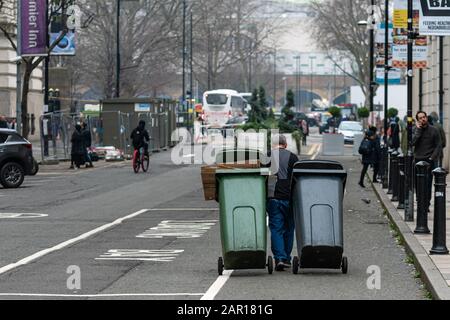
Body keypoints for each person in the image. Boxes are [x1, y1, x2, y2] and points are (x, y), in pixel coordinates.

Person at [267, 134, 299, 271]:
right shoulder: (293, 157)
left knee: (276, 228)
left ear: (272, 145)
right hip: (290, 198)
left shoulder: (267, 157)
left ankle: (279, 258)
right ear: (285, 145)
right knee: (289, 228)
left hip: (273, 198)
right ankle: (286, 258)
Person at [413, 111, 441, 213]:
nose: (423, 119)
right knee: (418, 184)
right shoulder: (416, 130)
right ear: (417, 120)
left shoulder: (434, 130)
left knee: (428, 184)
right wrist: (418, 130)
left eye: (424, 117)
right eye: (420, 118)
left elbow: (438, 146)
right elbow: (412, 142)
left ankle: (426, 204)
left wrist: (431, 158)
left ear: (426, 118)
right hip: (418, 160)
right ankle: (419, 202)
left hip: (429, 161)